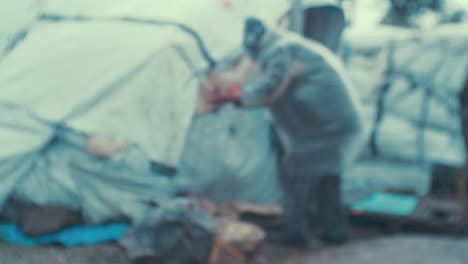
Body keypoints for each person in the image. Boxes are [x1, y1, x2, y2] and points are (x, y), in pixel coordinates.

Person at [203, 18, 365, 247]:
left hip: (323, 128)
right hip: (333, 125)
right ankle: (334, 231)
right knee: (328, 179)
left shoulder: (281, 49)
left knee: (295, 177)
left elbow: (271, 85)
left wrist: (238, 97)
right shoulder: (290, 46)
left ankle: (295, 235)